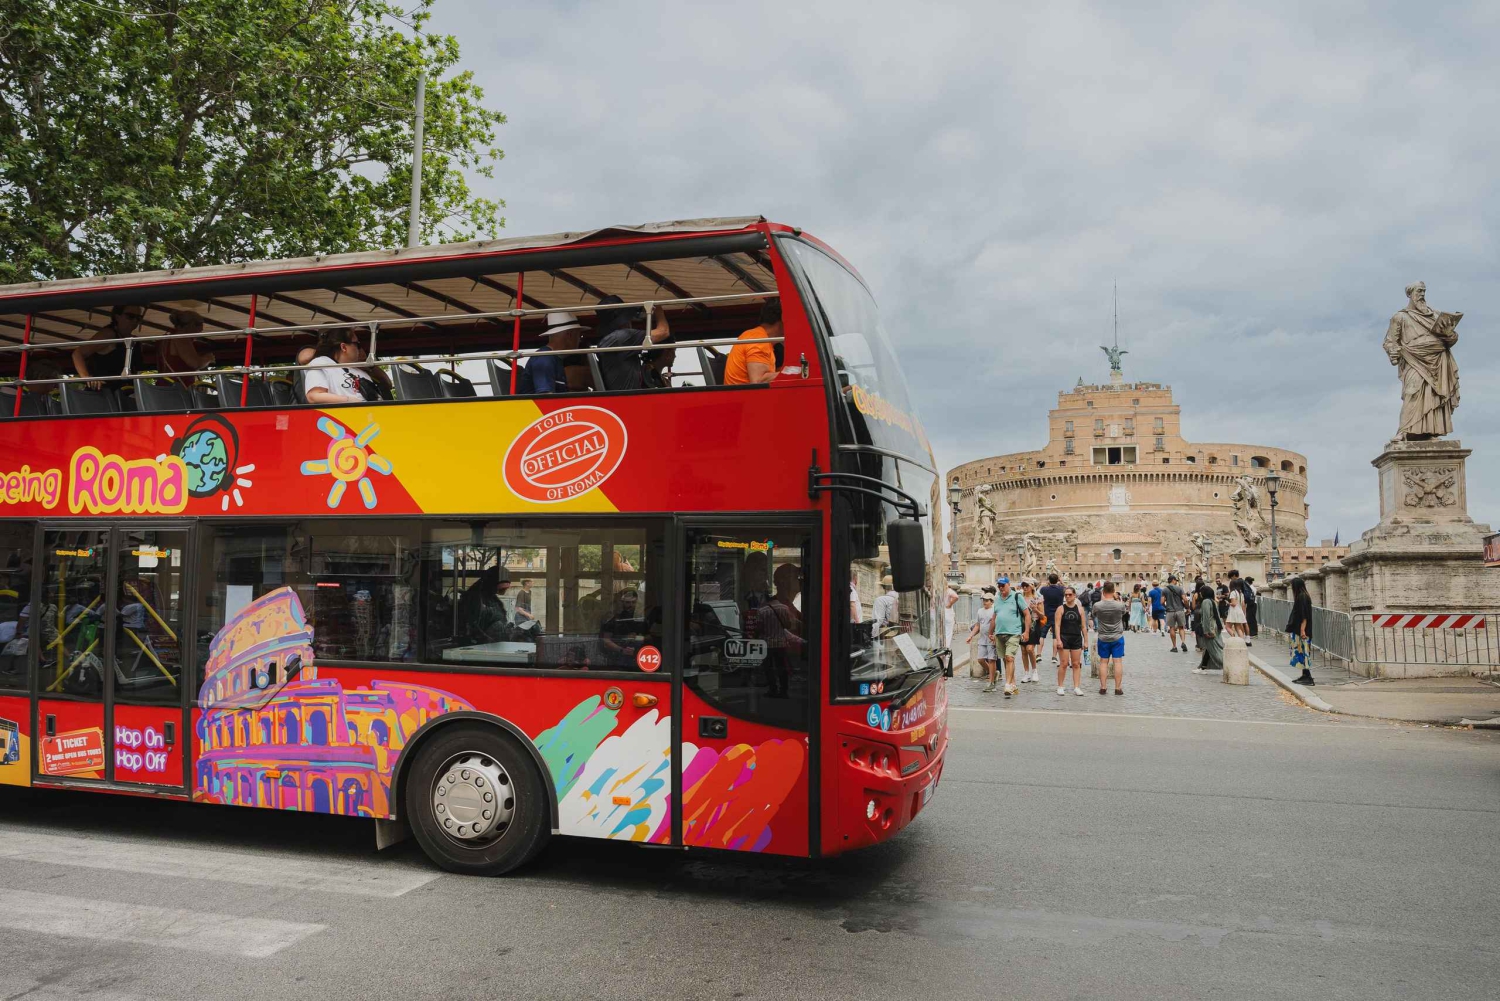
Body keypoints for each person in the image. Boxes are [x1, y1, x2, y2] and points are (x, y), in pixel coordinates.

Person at [594, 295, 672, 391]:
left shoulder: (609, 340)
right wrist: (658, 309)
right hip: (629, 399)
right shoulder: (622, 337)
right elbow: (663, 332)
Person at [303, 328, 391, 404]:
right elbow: (314, 396)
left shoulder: (360, 370)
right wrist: (349, 400)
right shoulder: (321, 363)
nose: (359, 349)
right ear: (344, 347)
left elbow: (386, 384)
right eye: (357, 344)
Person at [72, 304, 144, 390]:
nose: (135, 320)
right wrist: (87, 377)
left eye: (138, 318)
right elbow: (77, 354)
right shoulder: (108, 334)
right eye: (130, 316)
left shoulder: (136, 341)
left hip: (126, 391)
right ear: (117, 317)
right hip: (103, 391)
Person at [517, 311, 587, 393]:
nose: (580, 340)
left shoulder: (554, 358)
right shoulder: (544, 358)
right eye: (579, 336)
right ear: (570, 335)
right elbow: (545, 397)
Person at [723, 300, 782, 385]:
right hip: (743, 397)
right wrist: (796, 373)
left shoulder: (756, 336)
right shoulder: (759, 341)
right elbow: (759, 381)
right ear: (783, 319)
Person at [989, 577, 1030, 698]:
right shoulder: (997, 599)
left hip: (1014, 632)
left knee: (1009, 658)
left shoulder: (1017, 597)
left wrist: (1026, 631)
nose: (1001, 588)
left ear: (1008, 584)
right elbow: (994, 617)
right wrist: (990, 632)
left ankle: (1007, 685)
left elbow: (1027, 614)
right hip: (999, 633)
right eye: (999, 586)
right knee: (1006, 659)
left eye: (1003, 585)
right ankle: (1013, 684)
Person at [157, 309, 216, 387]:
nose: (202, 329)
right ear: (190, 324)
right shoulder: (181, 338)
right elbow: (195, 363)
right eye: (199, 324)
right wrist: (208, 358)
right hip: (177, 387)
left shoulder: (165, 339)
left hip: (166, 384)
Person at [457, 566, 512, 645]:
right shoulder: (474, 598)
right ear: (493, 584)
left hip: (493, 642)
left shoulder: (492, 598)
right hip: (483, 643)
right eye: (502, 588)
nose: (504, 591)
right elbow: (473, 626)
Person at [1092, 581, 1128, 696]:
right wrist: (1117, 599)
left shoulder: (1097, 605)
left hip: (1103, 637)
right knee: (1117, 662)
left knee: (1103, 662)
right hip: (1117, 637)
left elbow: (1094, 615)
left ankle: (1103, 687)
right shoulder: (1119, 605)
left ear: (1103, 592)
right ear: (1113, 592)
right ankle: (1118, 688)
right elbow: (1123, 613)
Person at [1054, 585, 1088, 696]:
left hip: (1076, 638)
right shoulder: (1061, 609)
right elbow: (1057, 625)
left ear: (1074, 596)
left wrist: (1086, 641)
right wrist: (1058, 640)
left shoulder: (1080, 609)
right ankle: (1060, 686)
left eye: (1070, 594)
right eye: (1066, 595)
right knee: (1063, 663)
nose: (1067, 596)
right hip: (1064, 637)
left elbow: (1083, 626)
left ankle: (1077, 687)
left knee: (1076, 664)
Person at [1286, 577, 1315, 685]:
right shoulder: (1304, 596)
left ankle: (1308, 678)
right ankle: (1305, 675)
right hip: (1301, 629)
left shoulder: (1302, 597)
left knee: (1303, 653)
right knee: (1302, 652)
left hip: (1302, 630)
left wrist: (1302, 630)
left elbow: (1304, 616)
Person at [968, 590, 997, 691]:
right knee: (980, 659)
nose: (984, 602)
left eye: (987, 600)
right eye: (983, 600)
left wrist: (995, 636)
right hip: (982, 639)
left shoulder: (994, 610)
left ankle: (991, 682)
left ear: (992, 601)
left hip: (991, 639)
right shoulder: (980, 611)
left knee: (991, 659)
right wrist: (971, 635)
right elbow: (978, 625)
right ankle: (993, 672)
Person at [1193, 583, 1224, 673]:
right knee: (1209, 648)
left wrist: (1206, 631)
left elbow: (1206, 617)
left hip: (1210, 628)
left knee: (1215, 650)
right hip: (1215, 626)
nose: (1200, 594)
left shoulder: (1206, 602)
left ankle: (1228, 664)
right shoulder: (1213, 601)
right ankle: (1203, 667)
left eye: (1201, 592)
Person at [1018, 580, 1042, 684]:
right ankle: (1026, 673)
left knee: (1030, 649)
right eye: (1023, 585)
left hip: (1034, 625)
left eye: (1027, 585)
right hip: (1021, 625)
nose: (1025, 587)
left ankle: (1034, 671)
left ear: (1032, 586)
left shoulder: (1037, 599)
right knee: (1023, 650)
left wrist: (1035, 609)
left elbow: (1043, 615)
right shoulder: (1019, 598)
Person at [1039, 573, 1065, 663]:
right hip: (1058, 615)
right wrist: (1061, 582)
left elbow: (1039, 592)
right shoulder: (1061, 589)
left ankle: (1039, 654)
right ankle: (1054, 657)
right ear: (1057, 580)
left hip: (1046, 615)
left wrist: (1047, 584)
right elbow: (1067, 589)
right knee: (1055, 636)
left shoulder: (1044, 589)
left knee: (1042, 635)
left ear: (1049, 580)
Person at [1162, 574, 1188, 652]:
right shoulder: (1179, 588)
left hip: (1170, 611)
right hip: (1180, 610)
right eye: (1176, 580)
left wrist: (1166, 607)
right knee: (1181, 628)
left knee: (1172, 628)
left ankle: (1174, 646)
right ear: (1173, 580)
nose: (1176, 581)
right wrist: (1187, 607)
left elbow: (1162, 601)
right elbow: (1185, 600)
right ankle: (1183, 642)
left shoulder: (1165, 590)